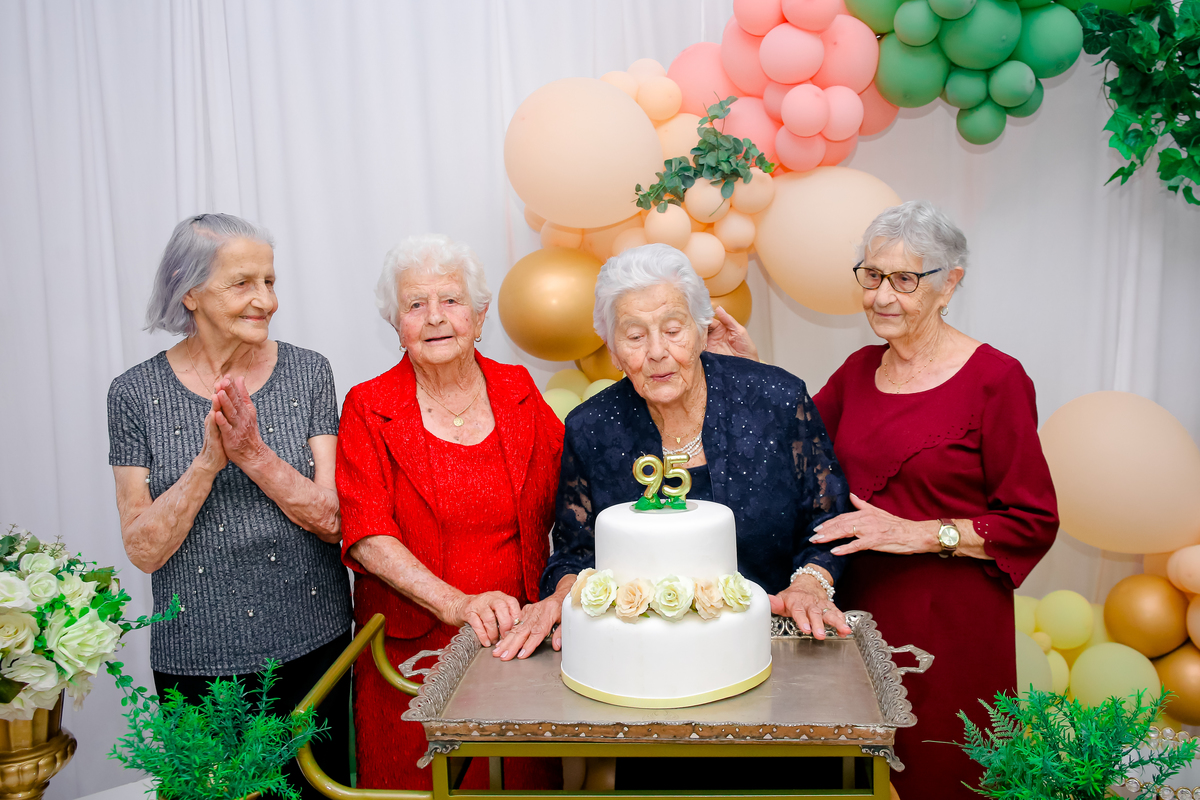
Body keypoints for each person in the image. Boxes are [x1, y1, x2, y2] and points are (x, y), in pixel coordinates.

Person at [495, 242, 851, 662]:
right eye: (634, 336)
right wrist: (561, 595)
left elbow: (828, 518)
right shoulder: (591, 427)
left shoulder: (775, 398)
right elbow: (576, 551)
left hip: (773, 639)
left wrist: (809, 584)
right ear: (613, 350)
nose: (657, 352)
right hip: (638, 652)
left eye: (673, 329)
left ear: (701, 331)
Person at [809, 201, 1059, 798]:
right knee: (855, 780)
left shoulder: (997, 380)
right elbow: (795, 455)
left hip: (951, 632)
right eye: (872, 275)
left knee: (942, 776)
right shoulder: (857, 371)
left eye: (904, 279)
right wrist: (745, 373)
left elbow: (1032, 520)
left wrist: (918, 532)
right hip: (857, 618)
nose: (881, 296)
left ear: (949, 284)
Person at [107, 213, 352, 799]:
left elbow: (334, 520)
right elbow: (143, 549)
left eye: (269, 281)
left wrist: (253, 455)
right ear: (188, 292)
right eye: (242, 283)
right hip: (196, 661)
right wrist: (207, 464)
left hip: (313, 649)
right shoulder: (133, 394)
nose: (266, 300)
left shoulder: (309, 372)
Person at [336, 234, 564, 790]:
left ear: (479, 316)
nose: (435, 317)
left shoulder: (517, 388)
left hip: (515, 643)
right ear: (397, 325)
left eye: (451, 300)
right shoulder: (368, 406)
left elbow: (577, 485)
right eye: (416, 304)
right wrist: (457, 604)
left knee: (515, 790)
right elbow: (367, 534)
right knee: (418, 788)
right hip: (408, 656)